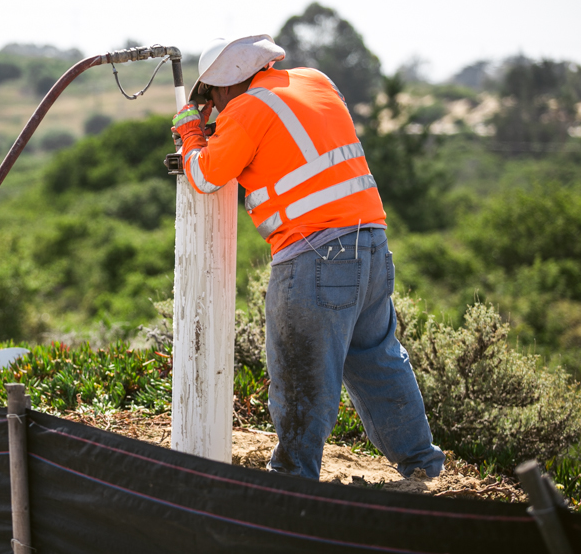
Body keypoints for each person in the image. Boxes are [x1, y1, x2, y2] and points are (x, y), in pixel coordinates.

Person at [171, 35, 445, 481]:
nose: (215, 108)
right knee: (378, 361)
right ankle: (423, 466)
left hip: (316, 256)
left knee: (301, 375)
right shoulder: (315, 81)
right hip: (370, 246)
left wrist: (190, 133)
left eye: (211, 98)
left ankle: (293, 484)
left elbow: (205, 174)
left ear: (223, 86)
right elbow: (288, 142)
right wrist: (217, 130)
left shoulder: (245, 109)